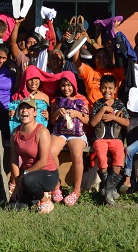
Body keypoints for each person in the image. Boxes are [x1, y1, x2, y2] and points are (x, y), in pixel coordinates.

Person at [8, 98, 59, 214]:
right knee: (13, 207)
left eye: (28, 108)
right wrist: (17, 183)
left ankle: (46, 201)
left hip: (48, 174)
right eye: (21, 108)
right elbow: (14, 159)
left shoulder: (42, 131)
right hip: (28, 177)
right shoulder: (15, 133)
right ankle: (35, 199)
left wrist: (23, 176)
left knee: (27, 179)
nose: (24, 110)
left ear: (35, 113)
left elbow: (43, 162)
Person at [49, 73, 90, 206]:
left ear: (74, 85)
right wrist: (57, 112)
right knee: (50, 152)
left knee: (77, 156)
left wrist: (77, 114)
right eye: (63, 85)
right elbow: (52, 121)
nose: (66, 88)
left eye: (69, 85)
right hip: (60, 132)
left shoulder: (82, 99)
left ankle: (76, 190)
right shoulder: (56, 100)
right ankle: (56, 186)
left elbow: (87, 120)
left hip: (76, 134)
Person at [89, 75, 130, 205]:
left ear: (115, 89)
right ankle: (109, 189)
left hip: (115, 138)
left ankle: (108, 188)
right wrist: (103, 110)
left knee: (119, 154)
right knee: (101, 157)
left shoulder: (119, 104)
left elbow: (127, 122)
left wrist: (113, 118)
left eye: (110, 88)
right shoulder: (98, 104)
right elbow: (92, 123)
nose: (107, 91)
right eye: (104, 88)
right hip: (100, 139)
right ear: (100, 89)